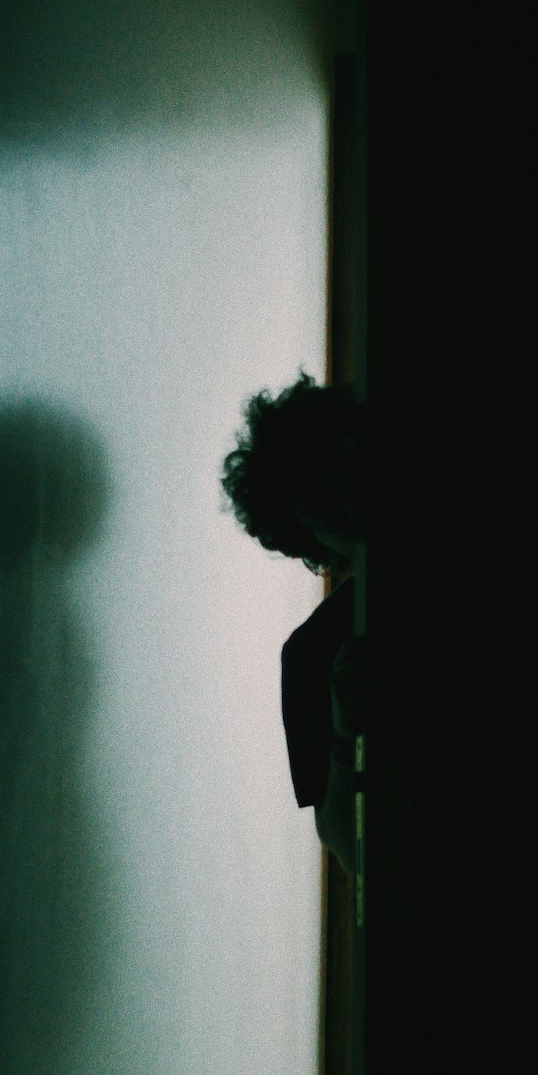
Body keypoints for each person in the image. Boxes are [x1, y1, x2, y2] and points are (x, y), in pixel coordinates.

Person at [220, 370, 368, 872]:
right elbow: (345, 847)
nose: (334, 494)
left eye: (334, 469)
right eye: (308, 489)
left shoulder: (312, 650)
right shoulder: (311, 654)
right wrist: (345, 736)